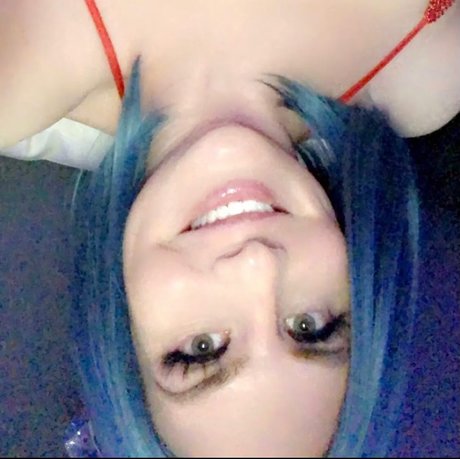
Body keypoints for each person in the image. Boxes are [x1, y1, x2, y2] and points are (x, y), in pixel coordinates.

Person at [1, 1, 458, 457]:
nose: (257, 265)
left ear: (120, 330)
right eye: (309, 326)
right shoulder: (420, 71)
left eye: (202, 348)